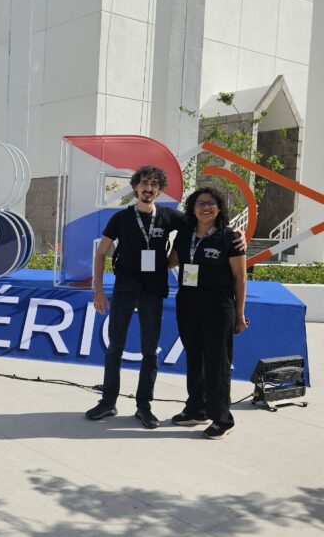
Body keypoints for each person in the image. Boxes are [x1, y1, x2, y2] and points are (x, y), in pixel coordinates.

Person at [85, 165, 245, 429]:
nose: (148, 189)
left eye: (154, 185)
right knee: (115, 348)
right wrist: (98, 290)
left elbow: (205, 222)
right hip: (125, 289)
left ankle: (144, 406)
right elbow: (101, 253)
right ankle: (108, 401)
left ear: (159, 190)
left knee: (149, 351)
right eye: (144, 184)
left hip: (153, 291)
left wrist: (236, 234)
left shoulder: (170, 216)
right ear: (135, 187)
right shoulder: (121, 218)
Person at [168, 185, 248, 439]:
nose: (206, 207)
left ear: (219, 208)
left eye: (211, 203)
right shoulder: (184, 234)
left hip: (218, 306)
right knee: (194, 357)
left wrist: (239, 314)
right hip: (187, 303)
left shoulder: (230, 237)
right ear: (192, 209)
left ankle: (222, 419)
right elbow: (170, 261)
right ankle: (197, 409)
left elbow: (240, 279)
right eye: (200, 203)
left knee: (217, 362)